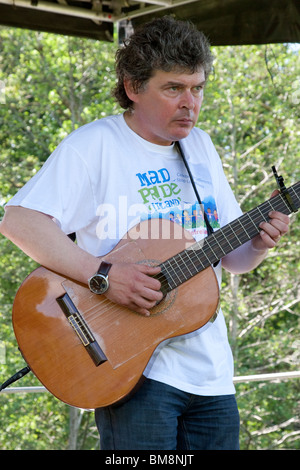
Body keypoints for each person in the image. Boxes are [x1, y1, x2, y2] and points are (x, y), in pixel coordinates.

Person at [0, 16, 290, 450]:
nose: (190, 103)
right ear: (133, 87)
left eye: (198, 88)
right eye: (173, 88)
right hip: (131, 368)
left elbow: (231, 260)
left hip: (212, 377)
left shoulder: (202, 148)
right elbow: (19, 221)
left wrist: (261, 242)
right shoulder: (94, 146)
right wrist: (103, 275)